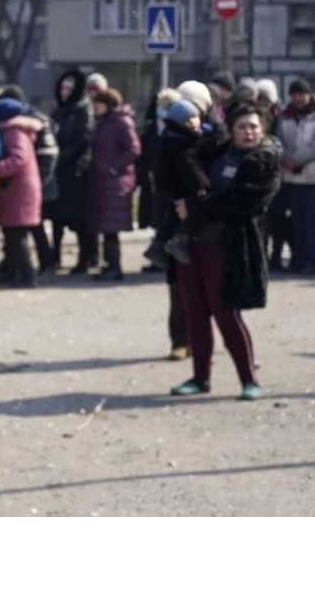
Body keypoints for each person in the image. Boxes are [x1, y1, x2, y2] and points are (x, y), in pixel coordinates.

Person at [170, 102, 280, 401]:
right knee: (195, 313)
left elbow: (241, 203)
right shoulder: (215, 152)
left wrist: (194, 207)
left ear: (263, 130)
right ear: (231, 130)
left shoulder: (263, 162)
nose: (249, 132)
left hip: (229, 246)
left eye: (254, 127)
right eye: (242, 127)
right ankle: (200, 377)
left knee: (226, 313)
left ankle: (249, 379)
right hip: (192, 243)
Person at [0, 98, 42, 288]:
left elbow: (18, 159)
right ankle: (16, 273)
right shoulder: (17, 129)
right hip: (19, 189)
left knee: (17, 236)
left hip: (19, 190)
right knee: (13, 234)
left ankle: (26, 275)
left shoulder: (13, 132)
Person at [275, 78, 315, 275]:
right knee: (295, 223)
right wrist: (286, 158)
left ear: (309, 95)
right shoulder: (284, 115)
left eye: (301, 94)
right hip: (290, 178)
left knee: (314, 223)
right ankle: (298, 260)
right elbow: (278, 141)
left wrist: (298, 159)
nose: (298, 98)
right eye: (294, 95)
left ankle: (313, 261)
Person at [143, 99, 213, 267]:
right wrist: (202, 185)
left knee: (173, 217)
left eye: (194, 117)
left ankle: (158, 245)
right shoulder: (182, 142)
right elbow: (190, 169)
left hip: (172, 187)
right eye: (188, 120)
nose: (193, 123)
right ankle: (176, 242)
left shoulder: (172, 136)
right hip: (182, 188)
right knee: (185, 215)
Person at [86, 88, 140, 281]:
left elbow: (133, 149)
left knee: (111, 229)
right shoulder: (104, 123)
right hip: (103, 182)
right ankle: (109, 265)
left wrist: (114, 169)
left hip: (115, 183)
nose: (94, 108)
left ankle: (115, 267)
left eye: (98, 104)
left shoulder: (121, 122)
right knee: (105, 227)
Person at [49, 69, 96, 274]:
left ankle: (85, 259)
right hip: (59, 172)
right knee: (56, 219)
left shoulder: (84, 109)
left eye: (69, 88)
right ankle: (55, 257)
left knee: (79, 220)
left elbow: (84, 139)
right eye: (62, 88)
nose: (65, 92)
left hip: (77, 172)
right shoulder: (58, 110)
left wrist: (63, 156)